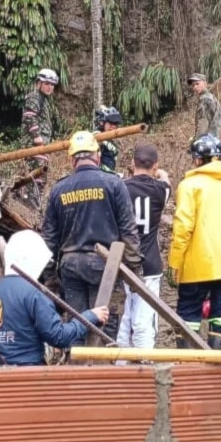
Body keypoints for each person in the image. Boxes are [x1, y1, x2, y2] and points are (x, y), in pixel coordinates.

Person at [40, 131, 143, 316]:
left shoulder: (58, 190)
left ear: (72, 160)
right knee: (105, 329)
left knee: (77, 326)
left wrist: (50, 278)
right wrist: (135, 270)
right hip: (105, 266)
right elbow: (128, 230)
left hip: (70, 266)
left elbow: (49, 238)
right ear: (98, 156)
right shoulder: (114, 184)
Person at [0, 230, 109, 366]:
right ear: (33, 260)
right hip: (29, 380)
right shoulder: (34, 295)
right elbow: (59, 337)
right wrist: (90, 316)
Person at [168, 134, 221, 350]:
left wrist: (174, 263)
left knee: (188, 311)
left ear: (197, 160)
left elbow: (183, 228)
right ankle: (217, 361)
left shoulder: (189, 186)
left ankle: (188, 362)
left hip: (198, 263)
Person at [118, 144, 171, 350]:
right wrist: (162, 173)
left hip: (122, 263)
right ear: (155, 166)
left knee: (124, 318)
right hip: (149, 264)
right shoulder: (161, 190)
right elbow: (166, 182)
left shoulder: (120, 188)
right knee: (145, 321)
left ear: (133, 163)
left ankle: (121, 367)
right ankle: (146, 366)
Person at [22, 69, 60, 191]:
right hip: (34, 144)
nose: (50, 87)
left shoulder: (44, 101)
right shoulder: (34, 97)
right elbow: (29, 116)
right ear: (39, 83)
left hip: (42, 145)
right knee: (36, 174)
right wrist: (37, 138)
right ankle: (30, 199)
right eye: (47, 83)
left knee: (41, 176)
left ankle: (35, 201)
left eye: (52, 84)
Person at [93, 105, 124, 174]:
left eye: (115, 124)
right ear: (102, 122)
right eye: (110, 123)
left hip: (109, 176)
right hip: (99, 176)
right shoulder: (96, 136)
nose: (113, 126)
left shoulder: (110, 141)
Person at [188, 73, 220, 138]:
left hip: (208, 141)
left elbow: (203, 123)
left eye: (197, 84)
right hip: (214, 139)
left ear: (205, 84)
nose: (195, 87)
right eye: (193, 85)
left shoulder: (205, 99)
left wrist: (197, 141)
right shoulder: (211, 97)